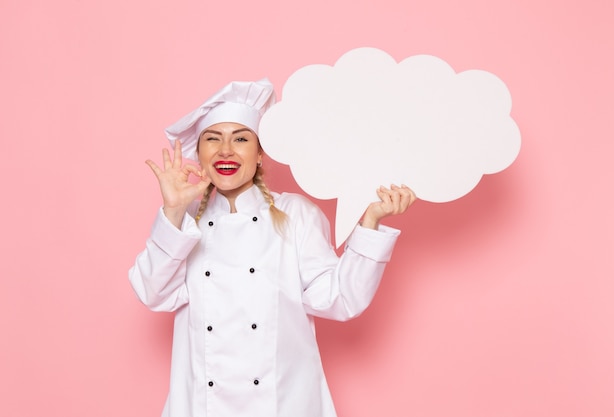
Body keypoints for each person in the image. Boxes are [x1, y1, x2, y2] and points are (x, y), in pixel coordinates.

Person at [129, 78, 416, 417]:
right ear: (199, 153)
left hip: (285, 405)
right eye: (213, 139)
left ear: (260, 153)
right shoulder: (184, 219)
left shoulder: (296, 214)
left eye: (240, 138)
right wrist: (174, 211)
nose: (225, 151)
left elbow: (340, 299)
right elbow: (152, 293)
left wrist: (370, 221)